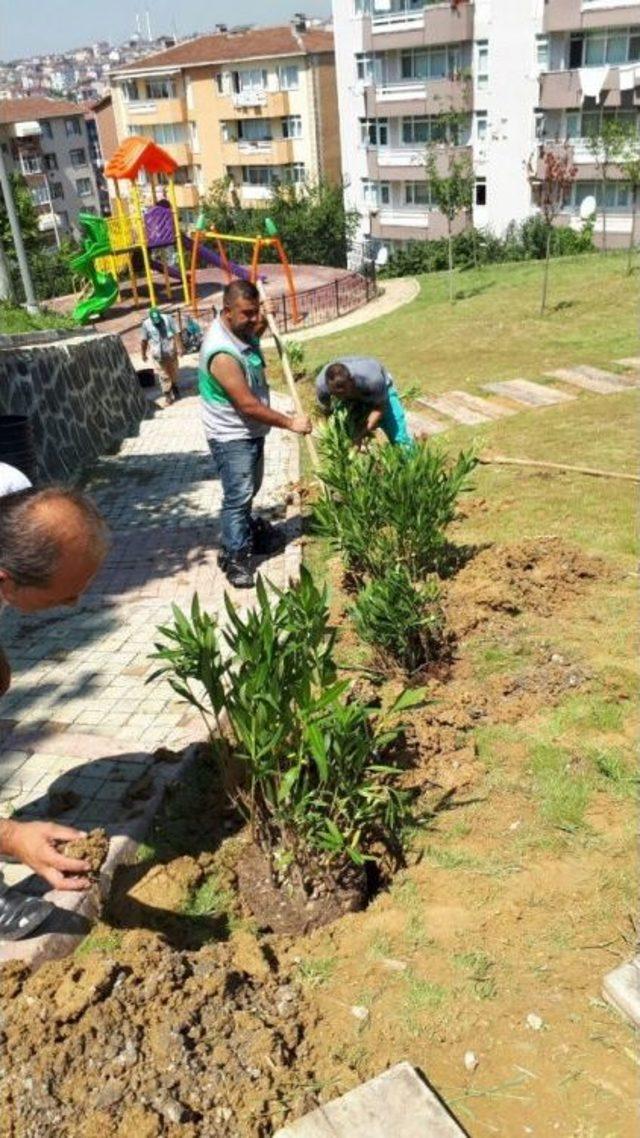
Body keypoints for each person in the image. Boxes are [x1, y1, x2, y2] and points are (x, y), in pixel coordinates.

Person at [0, 487, 109, 905]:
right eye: (61, 597)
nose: (75, 602)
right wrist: (13, 838)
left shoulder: (12, 510)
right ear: (6, 582)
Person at [199, 279, 312, 589]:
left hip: (249, 431)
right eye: (247, 314)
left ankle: (249, 532)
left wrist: (264, 319)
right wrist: (291, 423)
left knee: (250, 488)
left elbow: (253, 335)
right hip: (231, 435)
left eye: (256, 312)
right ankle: (235, 556)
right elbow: (247, 405)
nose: (254, 319)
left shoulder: (241, 330)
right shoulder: (221, 353)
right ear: (227, 312)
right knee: (238, 496)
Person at [315, 357, 413, 448]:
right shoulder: (322, 387)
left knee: (399, 437)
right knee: (346, 436)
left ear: (351, 381)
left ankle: (409, 459)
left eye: (344, 392)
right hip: (355, 397)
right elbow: (326, 412)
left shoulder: (372, 379)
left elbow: (380, 407)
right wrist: (333, 436)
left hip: (380, 391)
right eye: (337, 395)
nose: (342, 396)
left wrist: (360, 436)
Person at [141, 306, 181, 407]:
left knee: (174, 372)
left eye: (158, 320)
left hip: (170, 351)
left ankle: (175, 387)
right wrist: (143, 354)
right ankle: (167, 395)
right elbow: (144, 340)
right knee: (163, 375)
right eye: (155, 321)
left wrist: (180, 347)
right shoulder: (146, 324)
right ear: (151, 318)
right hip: (157, 354)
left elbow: (176, 333)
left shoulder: (168, 319)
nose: (157, 323)